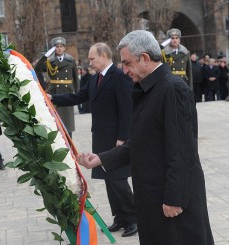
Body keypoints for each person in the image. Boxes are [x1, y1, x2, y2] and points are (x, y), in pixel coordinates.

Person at [78, 30, 214, 245]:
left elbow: (181, 149)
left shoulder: (172, 89)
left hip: (171, 201)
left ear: (145, 59)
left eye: (127, 63)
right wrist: (103, 158)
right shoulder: (147, 89)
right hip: (153, 197)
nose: (124, 70)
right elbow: (142, 140)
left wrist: (174, 198)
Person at [50, 42, 137, 237]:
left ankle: (133, 218)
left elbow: (126, 109)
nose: (90, 62)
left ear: (104, 56)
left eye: (92, 58)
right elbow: (80, 96)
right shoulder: (94, 78)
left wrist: (123, 138)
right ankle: (120, 217)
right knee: (108, 180)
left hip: (116, 139)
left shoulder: (119, 77)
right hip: (101, 137)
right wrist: (53, 99)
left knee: (118, 180)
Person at [34, 37, 79, 138]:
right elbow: (37, 69)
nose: (59, 48)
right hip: (54, 92)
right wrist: (45, 57)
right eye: (57, 46)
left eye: (61, 46)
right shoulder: (50, 60)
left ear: (64, 48)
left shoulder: (70, 60)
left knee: (68, 123)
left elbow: (75, 77)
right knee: (56, 123)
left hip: (67, 92)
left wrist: (77, 94)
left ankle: (69, 146)